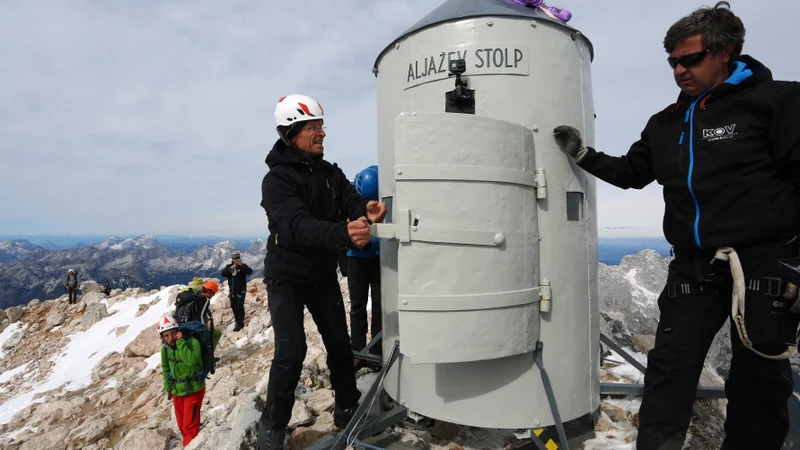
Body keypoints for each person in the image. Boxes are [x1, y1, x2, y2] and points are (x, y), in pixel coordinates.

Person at [553, 3, 800, 449]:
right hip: (694, 266)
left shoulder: (777, 101)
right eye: (672, 62)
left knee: (759, 379)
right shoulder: (666, 123)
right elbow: (633, 172)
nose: (679, 70)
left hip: (765, 263)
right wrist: (585, 156)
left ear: (725, 51)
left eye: (690, 59)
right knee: (669, 370)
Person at [257, 94, 388, 449]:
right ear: (291, 132)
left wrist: (367, 208)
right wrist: (343, 233)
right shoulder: (277, 181)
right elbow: (298, 226)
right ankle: (272, 427)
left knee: (340, 345)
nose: (322, 133)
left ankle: (347, 407)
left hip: (320, 275)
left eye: (321, 126)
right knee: (291, 351)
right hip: (286, 277)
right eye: (313, 127)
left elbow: (349, 199)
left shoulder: (330, 173)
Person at [347, 165, 383, 370]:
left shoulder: (375, 184)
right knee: (360, 306)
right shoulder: (349, 198)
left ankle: (370, 351)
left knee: (375, 305)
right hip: (360, 256)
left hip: (370, 256)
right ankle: (363, 351)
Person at [158, 315, 205, 447]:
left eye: (173, 333)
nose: (170, 338)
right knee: (182, 426)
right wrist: (168, 386)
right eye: (166, 335)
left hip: (194, 388)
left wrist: (180, 343)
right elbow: (166, 368)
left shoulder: (192, 343)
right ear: (162, 338)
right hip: (177, 391)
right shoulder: (165, 350)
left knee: (189, 426)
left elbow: (191, 361)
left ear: (178, 331)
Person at [175, 279, 223, 350]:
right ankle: (208, 358)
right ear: (210, 291)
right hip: (194, 328)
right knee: (216, 334)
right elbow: (201, 316)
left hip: (182, 326)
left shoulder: (195, 297)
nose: (213, 295)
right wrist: (204, 329)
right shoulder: (204, 299)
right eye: (213, 293)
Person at [221, 251, 253, 331]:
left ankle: (240, 323)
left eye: (237, 258)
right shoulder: (229, 266)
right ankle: (237, 320)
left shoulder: (243, 266)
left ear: (239, 258)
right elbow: (223, 274)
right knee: (234, 306)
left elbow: (249, 271)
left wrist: (241, 265)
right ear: (232, 259)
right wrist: (230, 269)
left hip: (241, 290)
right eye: (234, 258)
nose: (236, 260)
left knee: (239, 306)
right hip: (232, 291)